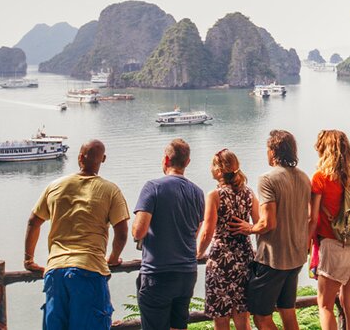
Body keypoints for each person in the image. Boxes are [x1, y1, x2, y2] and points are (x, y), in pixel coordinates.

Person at [23, 139, 130, 330]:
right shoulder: (110, 190)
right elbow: (121, 233)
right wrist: (112, 258)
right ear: (103, 159)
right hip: (89, 270)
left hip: (55, 272)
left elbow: (33, 221)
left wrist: (28, 259)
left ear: (79, 157)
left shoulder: (55, 186)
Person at [229, 129, 312, 330]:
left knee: (260, 316)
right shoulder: (303, 178)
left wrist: (249, 228)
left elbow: (268, 223)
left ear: (273, 151)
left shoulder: (267, 179)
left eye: (267, 149)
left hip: (273, 259)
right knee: (288, 311)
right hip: (296, 257)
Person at [132, 139, 205, 330]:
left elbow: (139, 230)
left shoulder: (153, 187)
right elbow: (196, 231)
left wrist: (136, 232)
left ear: (165, 159)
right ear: (187, 162)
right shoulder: (198, 192)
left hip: (158, 273)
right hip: (187, 273)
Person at [309, 130, 350, 330]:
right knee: (349, 303)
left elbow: (312, 217)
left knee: (325, 305)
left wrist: (305, 246)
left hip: (335, 247)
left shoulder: (320, 178)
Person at [197, 149, 260, 330]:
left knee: (221, 318)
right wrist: (247, 230)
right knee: (242, 319)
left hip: (220, 260)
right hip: (244, 258)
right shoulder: (248, 193)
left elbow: (207, 231)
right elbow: (259, 224)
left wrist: (198, 253)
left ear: (218, 170)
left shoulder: (214, 195)